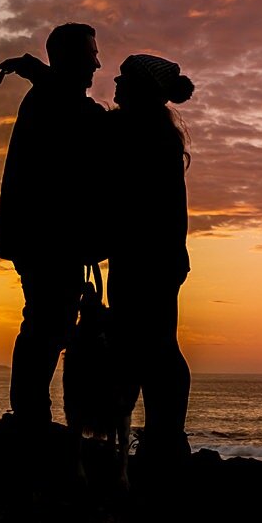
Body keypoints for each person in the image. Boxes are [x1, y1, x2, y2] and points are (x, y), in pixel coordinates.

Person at [0, 23, 105, 428]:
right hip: (46, 241)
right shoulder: (52, 100)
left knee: (47, 324)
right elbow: (89, 119)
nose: (98, 62)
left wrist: (35, 68)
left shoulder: (53, 97)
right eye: (91, 54)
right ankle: (30, 418)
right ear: (71, 59)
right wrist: (37, 70)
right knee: (46, 325)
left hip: (49, 240)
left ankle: (30, 415)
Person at [104, 52, 196, 466]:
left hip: (147, 258)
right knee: (153, 347)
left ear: (141, 89)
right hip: (153, 257)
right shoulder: (150, 129)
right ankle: (160, 438)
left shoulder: (139, 131)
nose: (116, 83)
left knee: (149, 347)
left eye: (125, 79)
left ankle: (161, 440)